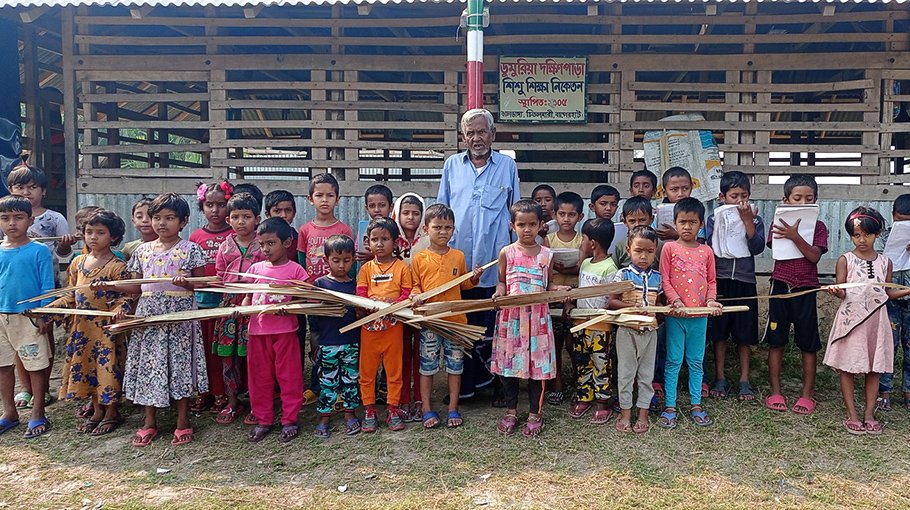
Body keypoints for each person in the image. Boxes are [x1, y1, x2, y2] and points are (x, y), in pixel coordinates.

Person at [97, 193, 209, 447]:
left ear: (183, 221)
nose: (161, 223)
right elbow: (136, 287)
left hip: (180, 318)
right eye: (157, 217)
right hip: (148, 317)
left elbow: (203, 283)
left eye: (169, 218)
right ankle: (149, 422)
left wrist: (188, 283)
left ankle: (183, 421)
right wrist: (111, 285)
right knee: (149, 366)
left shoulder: (190, 249)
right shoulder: (142, 251)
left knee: (180, 367)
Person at [438, 108, 520, 405]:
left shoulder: (507, 166)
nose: (476, 138)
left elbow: (515, 214)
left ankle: (499, 385)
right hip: (459, 265)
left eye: (482, 131)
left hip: (494, 263)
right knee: (463, 326)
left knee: (496, 328)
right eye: (470, 133)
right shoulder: (451, 165)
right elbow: (442, 211)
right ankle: (467, 387)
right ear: (463, 137)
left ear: (492, 134)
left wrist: (514, 261)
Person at [824, 207, 910, 434]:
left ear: (877, 234)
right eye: (856, 235)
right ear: (851, 236)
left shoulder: (885, 262)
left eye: (867, 234)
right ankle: (852, 414)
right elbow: (842, 290)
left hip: (877, 322)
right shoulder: (845, 260)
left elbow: (886, 293)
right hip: (851, 322)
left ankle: (869, 414)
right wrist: (836, 291)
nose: (861, 240)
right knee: (847, 367)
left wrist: (907, 290)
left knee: (874, 367)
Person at [44, 210, 131, 436]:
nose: (93, 237)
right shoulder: (77, 262)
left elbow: (126, 296)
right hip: (82, 329)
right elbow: (71, 294)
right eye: (89, 232)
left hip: (106, 330)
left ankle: (111, 412)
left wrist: (119, 311)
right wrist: (50, 309)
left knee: (107, 368)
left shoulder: (117, 266)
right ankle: (97, 410)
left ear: (113, 237)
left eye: (100, 232)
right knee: (87, 367)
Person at [491, 200, 568, 437]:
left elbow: (549, 283)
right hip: (511, 319)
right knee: (510, 367)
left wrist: (558, 290)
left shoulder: (547, 254)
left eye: (532, 224)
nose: (527, 229)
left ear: (541, 225)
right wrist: (499, 292)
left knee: (538, 368)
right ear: (512, 225)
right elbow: (502, 282)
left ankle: (535, 413)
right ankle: (511, 411)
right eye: (521, 225)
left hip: (538, 320)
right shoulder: (506, 253)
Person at [410, 204, 483, 429]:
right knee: (427, 367)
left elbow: (464, 285)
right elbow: (415, 286)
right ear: (426, 229)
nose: (443, 232)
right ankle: (426, 408)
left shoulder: (458, 256)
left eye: (448, 227)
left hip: (455, 322)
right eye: (437, 227)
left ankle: (453, 407)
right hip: (430, 322)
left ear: (453, 229)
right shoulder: (419, 258)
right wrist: (415, 295)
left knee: (455, 366)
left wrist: (474, 278)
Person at [7, 164, 73, 410]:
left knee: (43, 336)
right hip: (15, 290)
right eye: (20, 187)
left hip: (46, 286)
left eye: (32, 187)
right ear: (10, 189)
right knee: (18, 339)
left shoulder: (54, 219)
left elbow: (64, 255)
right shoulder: (7, 218)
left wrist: (65, 245)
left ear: (43, 191)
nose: (26, 192)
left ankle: (42, 388)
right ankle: (25, 388)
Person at [763, 175, 828, 415]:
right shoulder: (778, 223)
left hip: (806, 288)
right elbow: (776, 249)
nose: (803, 202)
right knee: (776, 340)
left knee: (808, 343)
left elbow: (813, 256)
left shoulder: (819, 227)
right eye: (797, 198)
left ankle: (807, 394)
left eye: (809, 199)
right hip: (780, 285)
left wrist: (796, 236)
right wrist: (789, 233)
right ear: (785, 200)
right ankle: (775, 391)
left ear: (816, 200)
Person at [243, 217, 308, 443]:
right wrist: (242, 311)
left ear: (287, 243)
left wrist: (289, 307)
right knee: (259, 378)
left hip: (286, 332)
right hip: (258, 333)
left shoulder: (296, 270)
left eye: (271, 243)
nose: (265, 249)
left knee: (289, 377)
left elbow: (305, 299)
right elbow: (247, 297)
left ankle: (290, 420)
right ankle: (264, 420)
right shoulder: (255, 269)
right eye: (262, 244)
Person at [658, 198, 722, 429]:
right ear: (675, 223)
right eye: (682, 222)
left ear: (701, 224)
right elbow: (665, 279)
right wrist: (675, 301)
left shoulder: (706, 251)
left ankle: (696, 404)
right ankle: (670, 406)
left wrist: (711, 301)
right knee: (673, 361)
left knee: (696, 361)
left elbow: (711, 281)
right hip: (676, 316)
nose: (687, 227)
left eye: (692, 222)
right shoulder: (669, 248)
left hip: (699, 317)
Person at [705, 171, 765, 401]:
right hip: (719, 280)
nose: (740, 201)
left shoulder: (756, 219)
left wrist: (748, 221)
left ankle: (744, 380)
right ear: (722, 197)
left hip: (745, 280)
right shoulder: (713, 219)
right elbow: (709, 246)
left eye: (744, 196)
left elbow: (757, 247)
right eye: (734, 196)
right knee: (719, 332)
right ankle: (720, 378)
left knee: (744, 333)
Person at [0, 194, 55, 438]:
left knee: (36, 365)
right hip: (2, 317)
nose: (12, 223)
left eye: (18, 217)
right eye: (5, 218)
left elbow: (47, 285)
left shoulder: (39, 250)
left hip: (29, 317)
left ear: (30, 220)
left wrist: (44, 313)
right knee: (3, 366)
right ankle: (9, 413)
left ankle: (37, 412)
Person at [297, 173, 353, 406]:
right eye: (319, 195)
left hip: (339, 296)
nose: (324, 200)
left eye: (330, 195)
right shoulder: (304, 230)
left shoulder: (344, 230)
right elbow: (301, 264)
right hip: (315, 296)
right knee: (316, 338)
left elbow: (351, 265)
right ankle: (317, 385)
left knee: (339, 339)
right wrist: (305, 291)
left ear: (337, 199)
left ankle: (341, 386)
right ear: (310, 199)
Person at [211, 192, 264, 426]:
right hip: (229, 306)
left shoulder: (263, 244)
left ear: (257, 219)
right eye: (235, 217)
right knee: (229, 357)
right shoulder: (225, 247)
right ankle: (233, 401)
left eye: (246, 216)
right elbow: (220, 275)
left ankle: (257, 402)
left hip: (255, 305)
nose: (241, 222)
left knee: (254, 357)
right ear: (228, 219)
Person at [357, 217, 413, 433]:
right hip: (369, 329)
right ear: (367, 242)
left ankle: (392, 408)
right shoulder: (366, 269)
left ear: (395, 242)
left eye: (385, 239)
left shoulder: (402, 268)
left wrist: (393, 305)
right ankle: (369, 409)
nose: (379, 244)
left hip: (393, 328)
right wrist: (368, 306)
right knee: (367, 371)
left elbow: (407, 294)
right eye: (374, 240)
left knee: (394, 370)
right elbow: (361, 295)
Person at [609, 226, 662, 434]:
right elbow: (612, 301)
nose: (644, 256)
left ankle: (643, 414)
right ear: (628, 249)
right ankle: (625, 413)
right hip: (627, 331)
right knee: (625, 374)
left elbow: (662, 304)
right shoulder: (622, 275)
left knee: (646, 375)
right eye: (638, 251)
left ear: (655, 251)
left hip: (649, 332)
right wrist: (632, 308)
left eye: (649, 251)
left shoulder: (658, 277)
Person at [565, 218, 618, 424]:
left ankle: (602, 402)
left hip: (600, 327)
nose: (582, 243)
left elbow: (611, 300)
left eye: (584, 239)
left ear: (593, 243)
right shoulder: (586, 264)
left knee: (601, 364)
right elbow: (580, 292)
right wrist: (570, 305)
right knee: (582, 362)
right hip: (580, 324)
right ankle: (584, 397)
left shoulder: (610, 268)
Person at [188, 180, 234, 415]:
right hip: (202, 303)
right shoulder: (195, 236)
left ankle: (221, 391)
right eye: (209, 205)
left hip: (225, 303)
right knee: (202, 350)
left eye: (221, 205)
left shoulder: (234, 234)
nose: (215, 210)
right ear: (201, 206)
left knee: (220, 352)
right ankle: (203, 391)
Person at [310, 234, 362, 438]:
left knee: (351, 379)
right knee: (327, 381)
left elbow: (360, 314)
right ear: (326, 260)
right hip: (328, 342)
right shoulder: (320, 284)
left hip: (351, 342)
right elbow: (313, 316)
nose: (341, 265)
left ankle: (350, 414)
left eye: (347, 260)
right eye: (336, 260)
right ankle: (324, 417)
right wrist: (315, 342)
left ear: (353, 260)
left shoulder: (356, 286)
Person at [546, 191, 585, 405]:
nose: (566, 219)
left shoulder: (583, 240)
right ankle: (557, 384)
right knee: (555, 345)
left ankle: (581, 384)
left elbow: (583, 267)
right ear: (554, 215)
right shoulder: (548, 239)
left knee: (574, 345)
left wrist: (567, 269)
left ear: (580, 216)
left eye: (572, 215)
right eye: (562, 214)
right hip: (553, 298)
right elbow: (545, 268)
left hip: (575, 299)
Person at [391, 192, 426, 421]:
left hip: (422, 304)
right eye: (406, 213)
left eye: (415, 213)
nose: (411, 217)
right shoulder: (390, 238)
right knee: (401, 353)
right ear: (397, 214)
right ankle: (402, 398)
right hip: (397, 304)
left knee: (420, 354)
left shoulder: (428, 240)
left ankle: (420, 399)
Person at [879, 193, 910, 411]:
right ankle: (884, 392)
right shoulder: (882, 239)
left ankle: (908, 392)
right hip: (889, 300)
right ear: (893, 216)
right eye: (900, 222)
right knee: (889, 346)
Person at [655, 167, 705, 242]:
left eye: (685, 188)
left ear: (691, 188)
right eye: (674, 189)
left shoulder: (696, 210)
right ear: (664, 192)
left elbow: (700, 241)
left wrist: (676, 235)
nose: (680, 194)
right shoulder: (658, 213)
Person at [356, 184, 394, 264]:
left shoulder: (394, 229)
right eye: (372, 206)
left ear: (391, 207)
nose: (377, 210)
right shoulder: (363, 229)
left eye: (382, 205)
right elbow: (357, 252)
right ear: (367, 208)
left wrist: (374, 254)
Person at [264, 189, 298, 264]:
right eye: (277, 211)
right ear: (268, 215)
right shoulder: (260, 239)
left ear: (294, 213)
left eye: (288, 210)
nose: (283, 215)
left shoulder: (298, 240)